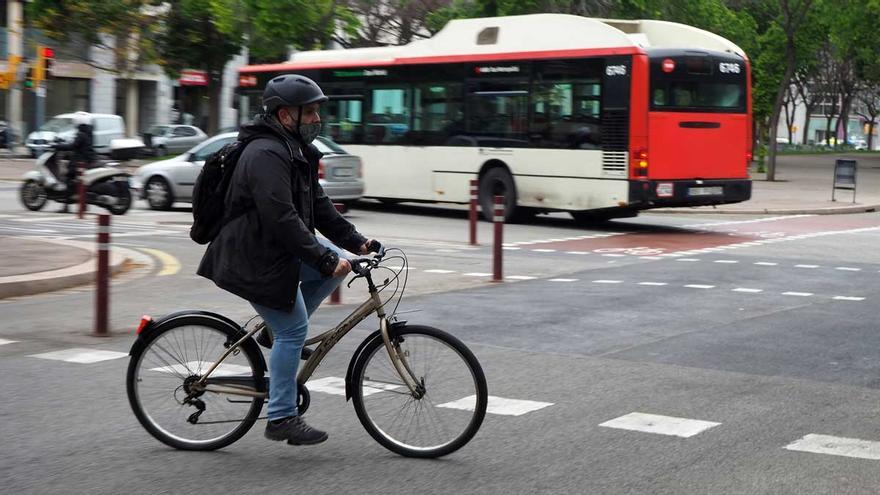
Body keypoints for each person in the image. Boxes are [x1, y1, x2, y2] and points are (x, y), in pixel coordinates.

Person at [197, 74, 380, 446]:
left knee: (333, 268)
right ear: (285, 115)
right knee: (295, 328)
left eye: (316, 111)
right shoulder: (266, 154)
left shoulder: (295, 150)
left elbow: (319, 207)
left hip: (272, 252)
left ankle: (271, 331)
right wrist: (324, 257)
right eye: (309, 112)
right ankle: (281, 417)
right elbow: (281, 218)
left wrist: (356, 242)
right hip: (250, 258)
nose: (316, 119)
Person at [54, 112, 95, 213]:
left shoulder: (81, 134)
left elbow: (72, 146)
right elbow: (77, 146)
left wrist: (57, 146)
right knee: (80, 182)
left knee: (68, 178)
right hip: (87, 159)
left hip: (80, 161)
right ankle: (83, 206)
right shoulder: (88, 133)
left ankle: (66, 206)